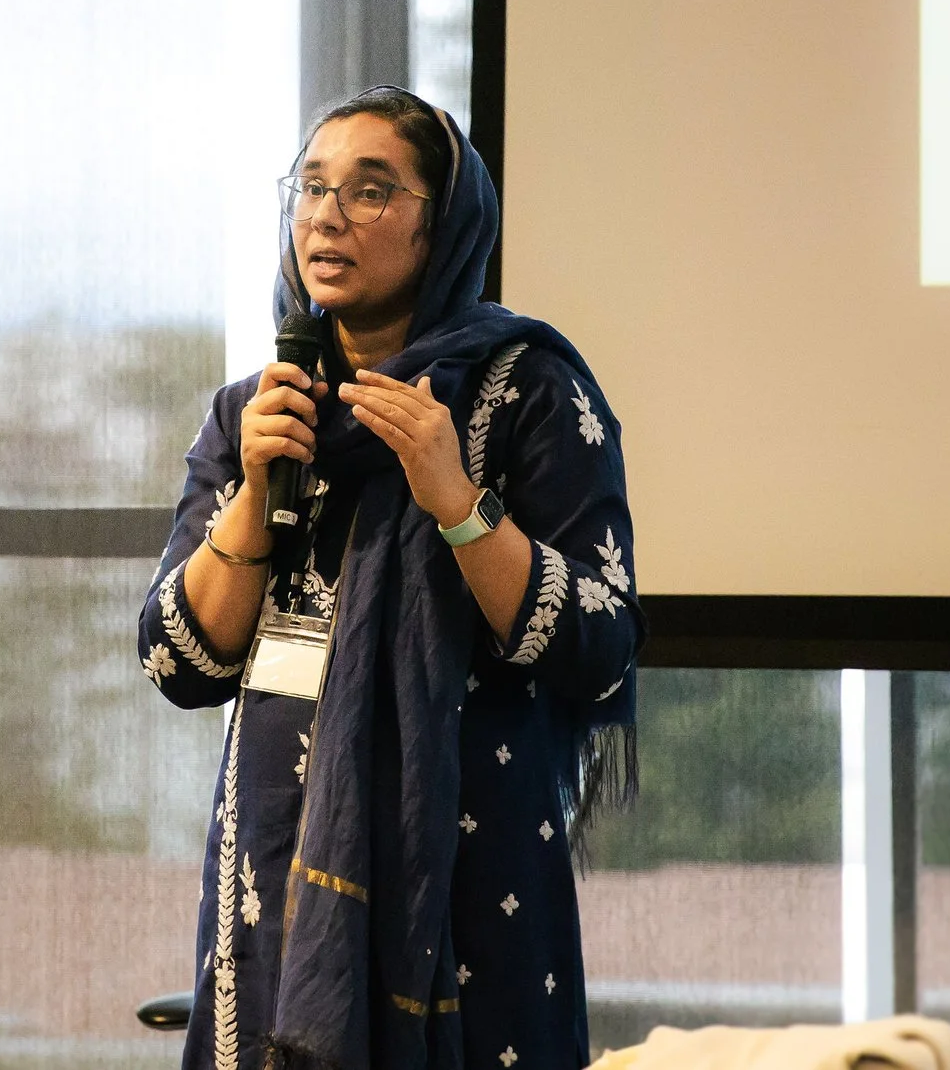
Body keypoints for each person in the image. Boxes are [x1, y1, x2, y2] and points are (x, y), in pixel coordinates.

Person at [139, 86, 642, 1070]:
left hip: (464, 863)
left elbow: (601, 643)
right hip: (276, 864)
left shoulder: (525, 387)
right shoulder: (259, 406)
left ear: (442, 224)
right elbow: (178, 658)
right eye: (312, 187)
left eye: (370, 191)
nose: (327, 214)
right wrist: (248, 497)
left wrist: (455, 500)